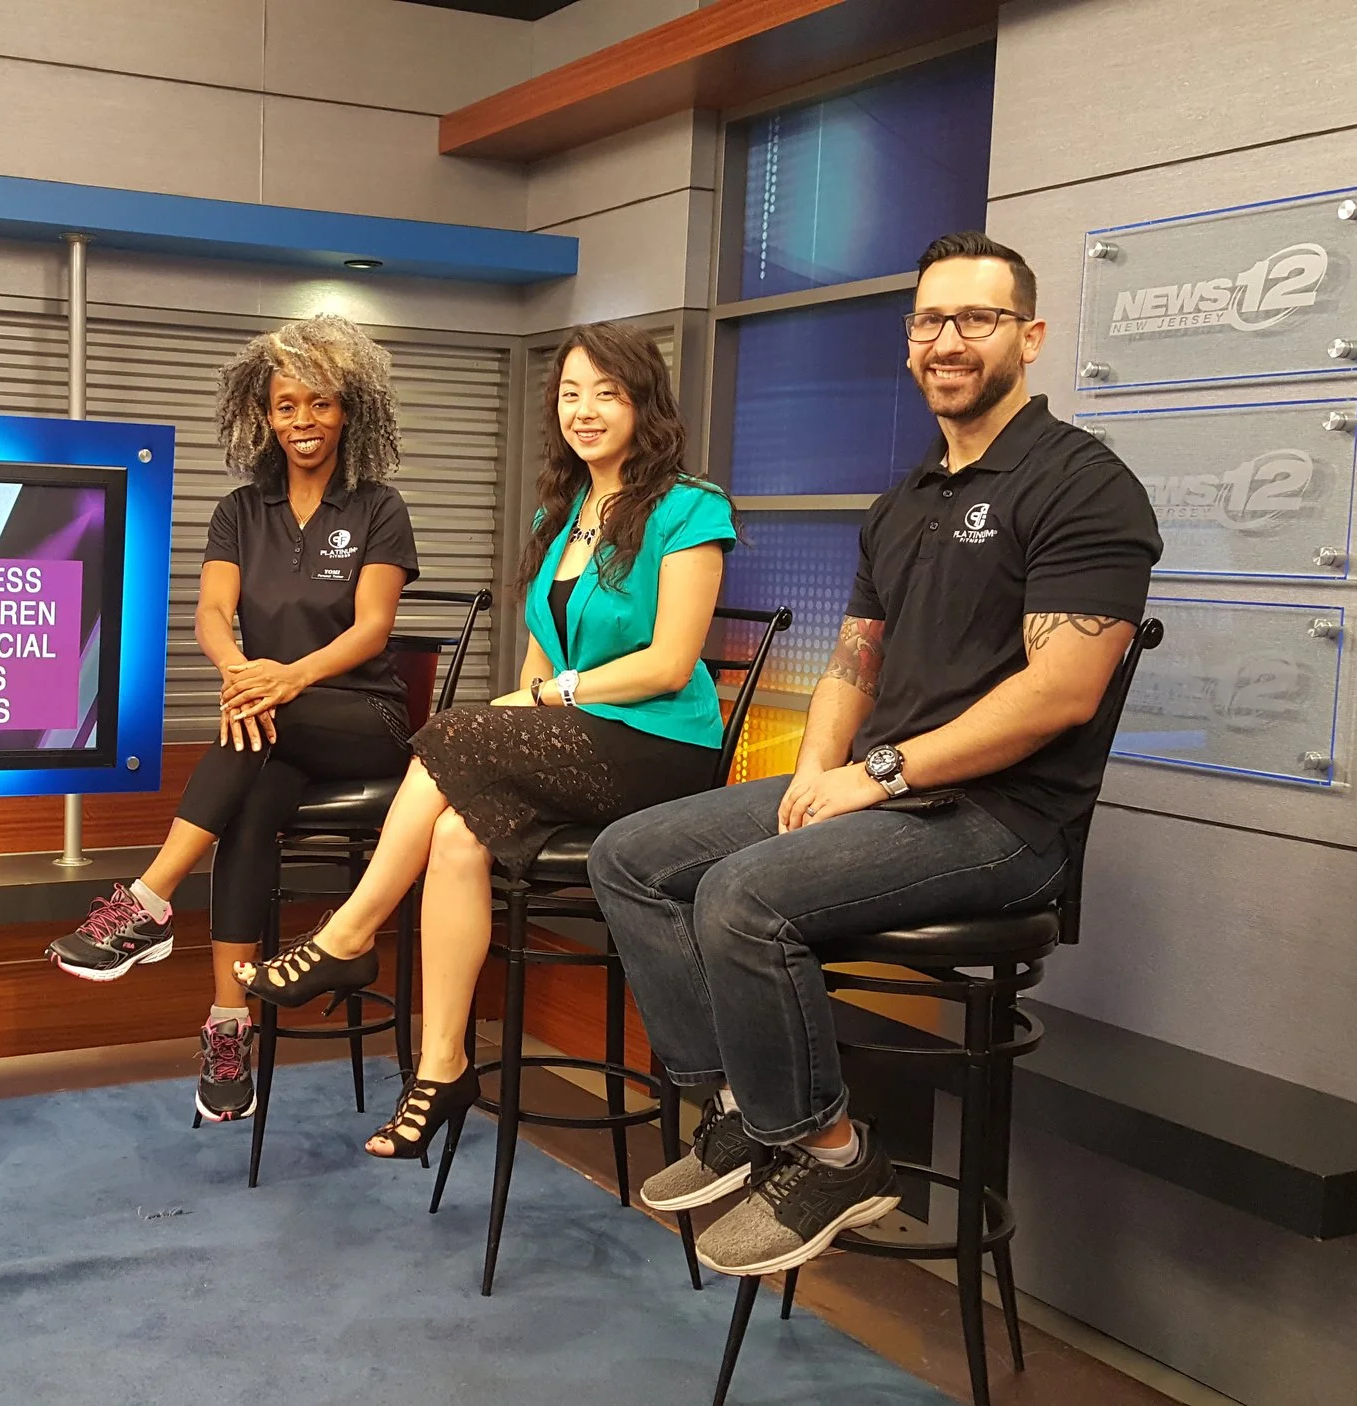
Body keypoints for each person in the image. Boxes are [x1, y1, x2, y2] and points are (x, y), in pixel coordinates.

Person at [587, 231, 1162, 1278]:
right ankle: (740, 1110)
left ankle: (830, 1149)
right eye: (930, 321)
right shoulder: (901, 504)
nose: (949, 340)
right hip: (886, 795)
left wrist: (878, 775)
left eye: (976, 319)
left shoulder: (1082, 483)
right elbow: (854, 665)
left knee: (740, 896)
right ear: (909, 344)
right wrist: (815, 769)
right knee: (626, 854)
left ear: (1028, 336)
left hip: (1004, 822)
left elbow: (1059, 690)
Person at [234, 321, 736, 1160]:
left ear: (643, 404)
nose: (586, 411)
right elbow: (546, 643)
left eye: (607, 394)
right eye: (571, 394)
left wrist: (541, 696)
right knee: (458, 833)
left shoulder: (691, 506)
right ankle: (443, 1067)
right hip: (581, 739)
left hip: (665, 749)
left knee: (453, 735)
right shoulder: (563, 510)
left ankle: (348, 934)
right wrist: (524, 704)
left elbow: (668, 662)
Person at [44, 314, 420, 1124]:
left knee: (253, 725)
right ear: (265, 415)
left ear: (348, 410)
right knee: (248, 811)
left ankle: (147, 902)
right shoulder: (241, 510)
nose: (303, 422)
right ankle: (227, 1025)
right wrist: (241, 671)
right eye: (286, 406)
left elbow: (371, 631)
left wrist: (287, 678)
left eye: (319, 404)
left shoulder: (378, 506)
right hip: (272, 723)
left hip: (367, 722)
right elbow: (212, 613)